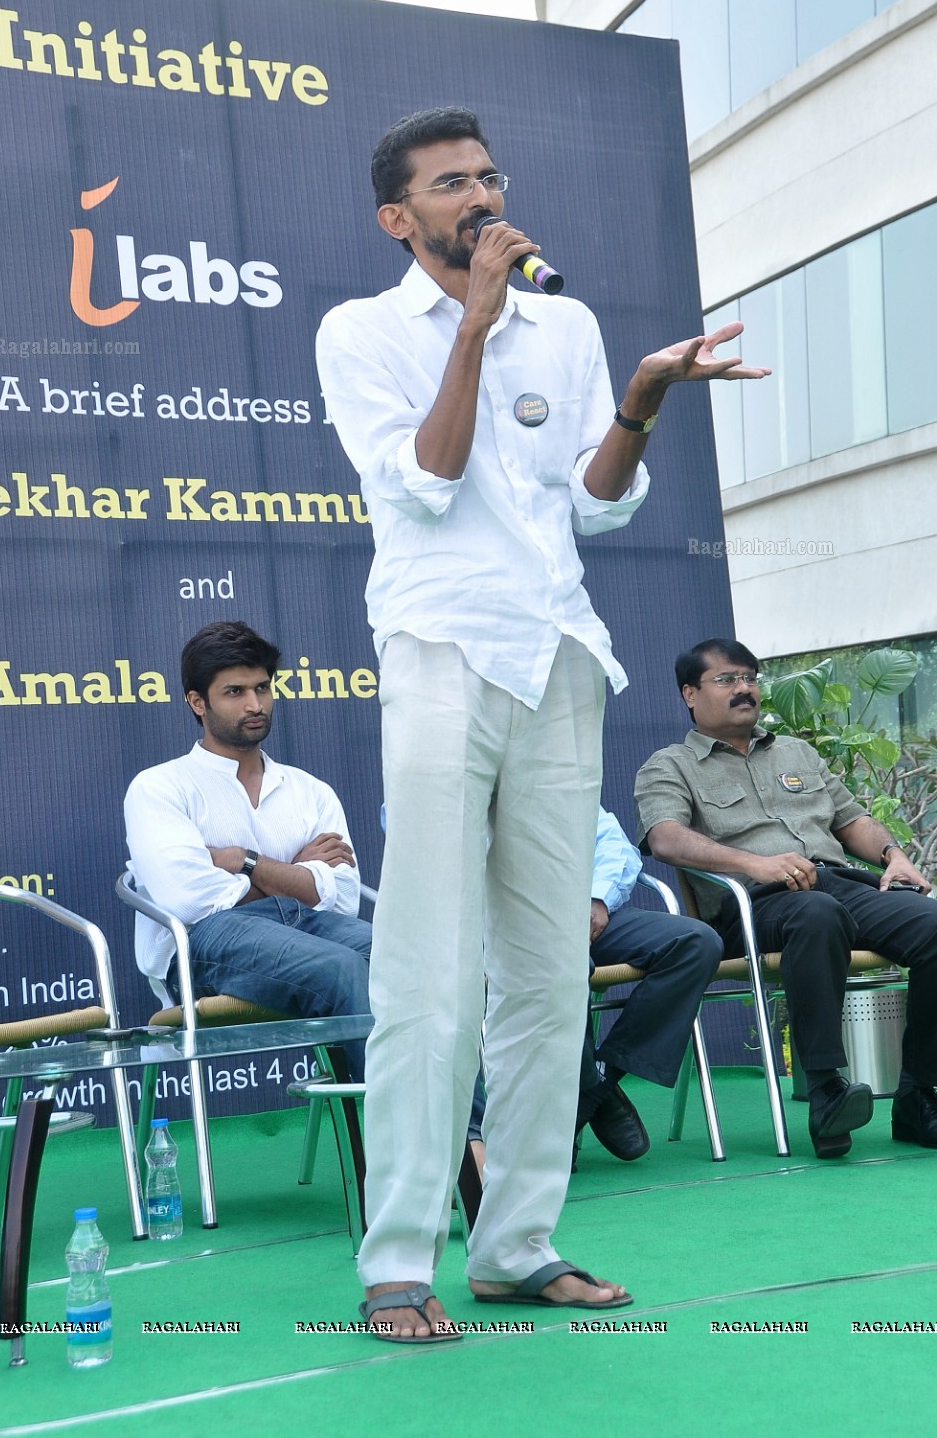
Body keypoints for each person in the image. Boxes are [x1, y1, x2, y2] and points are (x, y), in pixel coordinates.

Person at [315, 107, 769, 1340]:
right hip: (439, 652)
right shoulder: (358, 332)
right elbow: (429, 473)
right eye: (452, 183)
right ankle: (399, 1257)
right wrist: (470, 324)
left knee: (545, 975)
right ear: (397, 218)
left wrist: (637, 400)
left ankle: (516, 1244)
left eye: (490, 177)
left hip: (561, 655)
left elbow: (598, 501)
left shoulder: (563, 323)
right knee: (427, 971)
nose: (481, 196)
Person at [634, 636, 937, 1160]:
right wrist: (754, 863)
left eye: (750, 677)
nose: (744, 688)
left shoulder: (798, 753)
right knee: (817, 915)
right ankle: (826, 1090)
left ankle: (918, 1098)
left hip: (836, 886)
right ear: (690, 693)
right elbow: (665, 837)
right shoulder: (670, 765)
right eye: (727, 679)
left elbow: (852, 820)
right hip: (752, 906)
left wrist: (893, 854)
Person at [123, 621, 372, 1080]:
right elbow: (192, 900)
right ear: (197, 702)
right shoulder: (159, 787)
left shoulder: (310, 791)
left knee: (409, 964)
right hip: (206, 944)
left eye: (262, 688)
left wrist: (244, 861)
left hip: (312, 927)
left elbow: (342, 898)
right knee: (341, 968)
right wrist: (296, 874)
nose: (255, 705)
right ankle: (387, 1142)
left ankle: (467, 1141)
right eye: (234, 692)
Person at [575, 807, 723, 1167]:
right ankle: (586, 1094)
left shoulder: (557, 776)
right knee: (561, 964)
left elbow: (612, 844)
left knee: (696, 942)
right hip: (513, 929)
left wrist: (597, 898)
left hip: (587, 915)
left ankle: (597, 1086)